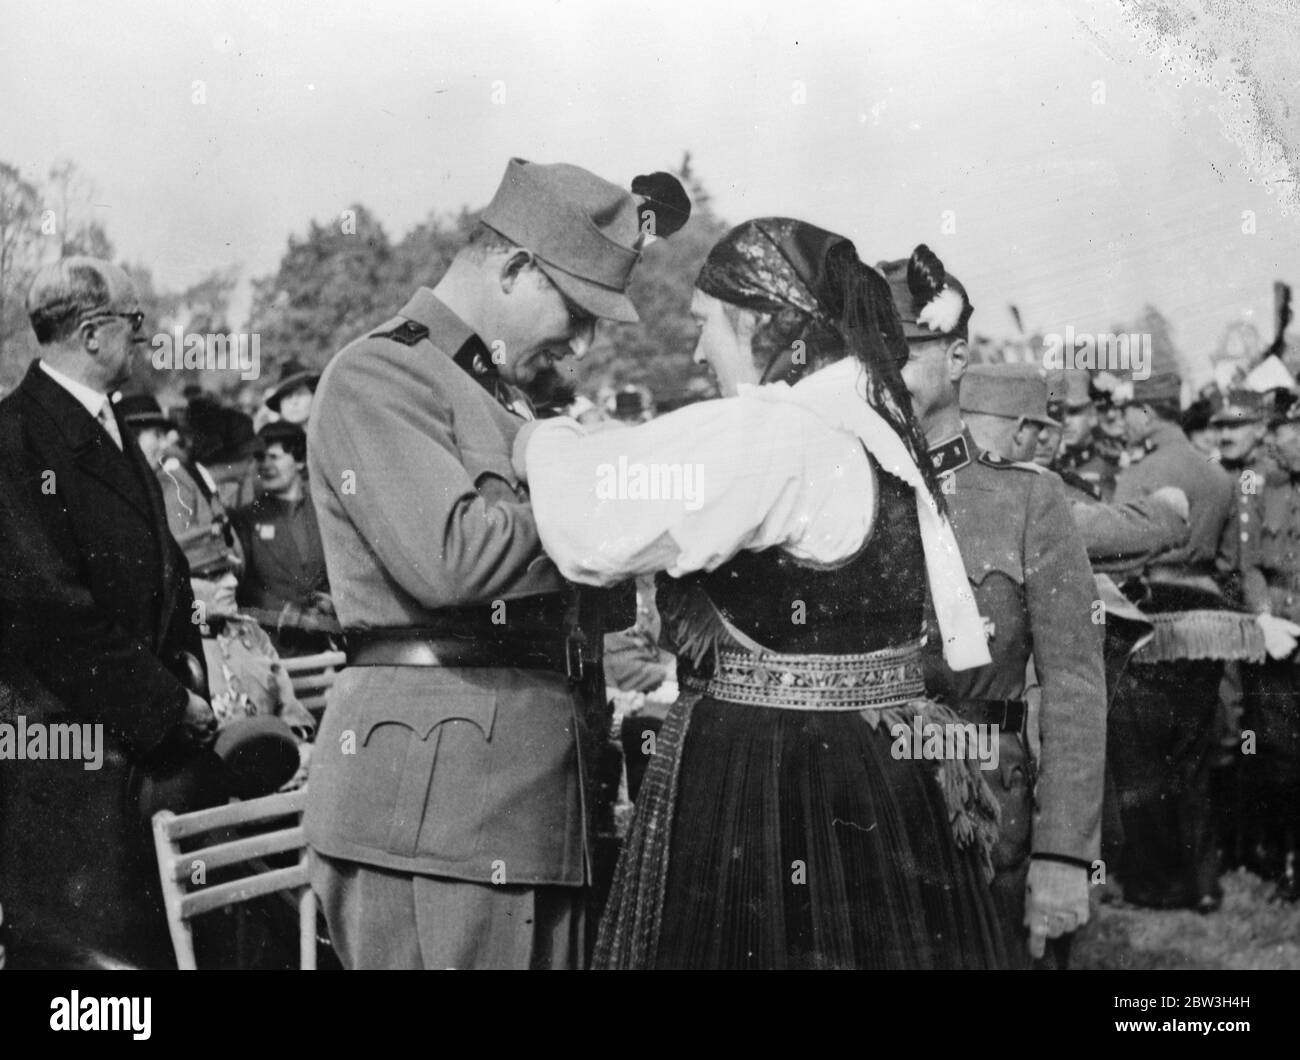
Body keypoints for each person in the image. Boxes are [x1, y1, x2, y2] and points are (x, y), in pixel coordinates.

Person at [523, 219, 1007, 969]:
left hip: (774, 776)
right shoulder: (880, 431)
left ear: (757, 320)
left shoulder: (782, 434)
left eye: (705, 325)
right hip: (880, 771)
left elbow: (594, 532)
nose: (696, 350)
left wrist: (540, 443)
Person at [303, 158, 654, 970]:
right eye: (577, 310)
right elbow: (453, 560)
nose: (583, 341)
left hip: (528, 805)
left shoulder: (504, 397)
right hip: (441, 823)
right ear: (515, 268)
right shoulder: (380, 374)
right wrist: (590, 504)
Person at [874, 251, 1106, 969]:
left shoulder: (1028, 500)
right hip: (865, 807)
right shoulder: (845, 491)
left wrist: (1064, 852)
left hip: (989, 804)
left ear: (955, 356)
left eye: (902, 354)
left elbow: (1072, 683)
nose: (882, 374)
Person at [0, 257, 218, 968]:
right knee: (85, 979)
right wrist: (169, 703)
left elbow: (166, 572)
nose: (146, 334)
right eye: (135, 320)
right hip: (66, 767)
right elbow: (48, 613)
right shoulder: (16, 441)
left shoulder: (111, 425)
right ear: (92, 334)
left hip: (139, 758)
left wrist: (188, 672)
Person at [1106, 355, 1252, 912]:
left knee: (1142, 756)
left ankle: (1153, 884)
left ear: (1147, 412)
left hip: (1152, 616)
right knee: (1193, 752)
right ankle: (1205, 882)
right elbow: (1231, 561)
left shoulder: (1138, 475)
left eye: (1130, 410)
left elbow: (1118, 557)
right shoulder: (1216, 473)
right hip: (1208, 620)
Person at [1238, 403, 1300, 899]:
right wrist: (1262, 617)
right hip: (1278, 634)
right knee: (1276, 754)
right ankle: (1284, 860)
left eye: (1289, 432)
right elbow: (1249, 561)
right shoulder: (1255, 483)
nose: (1280, 441)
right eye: (1281, 432)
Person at [231, 421, 334, 655]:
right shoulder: (245, 519)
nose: (265, 465)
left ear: (299, 461)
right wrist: (288, 613)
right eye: (260, 458)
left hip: (327, 645)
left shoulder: (326, 511)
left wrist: (330, 599)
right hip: (274, 648)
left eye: (274, 457)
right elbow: (244, 586)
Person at [264, 359, 320, 426]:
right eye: (287, 396)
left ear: (314, 395)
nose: (294, 402)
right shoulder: (268, 434)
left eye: (300, 393)